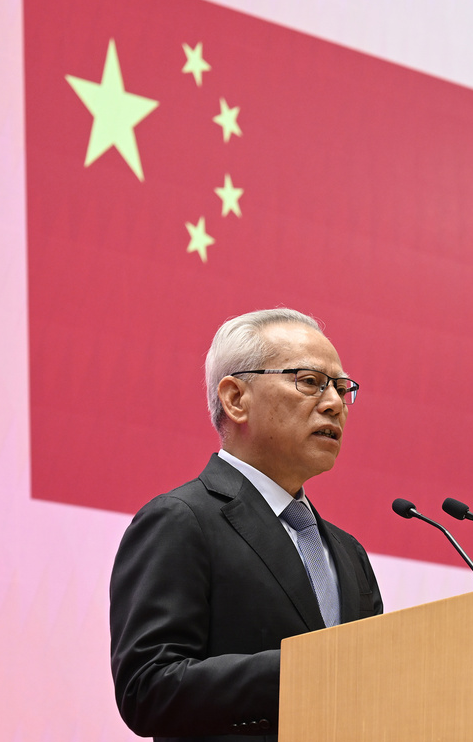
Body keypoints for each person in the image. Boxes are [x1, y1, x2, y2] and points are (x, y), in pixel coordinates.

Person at [109, 308, 384, 741]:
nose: (334, 403)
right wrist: (306, 669)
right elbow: (147, 689)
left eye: (341, 387)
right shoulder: (182, 520)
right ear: (236, 399)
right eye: (310, 381)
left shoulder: (349, 554)